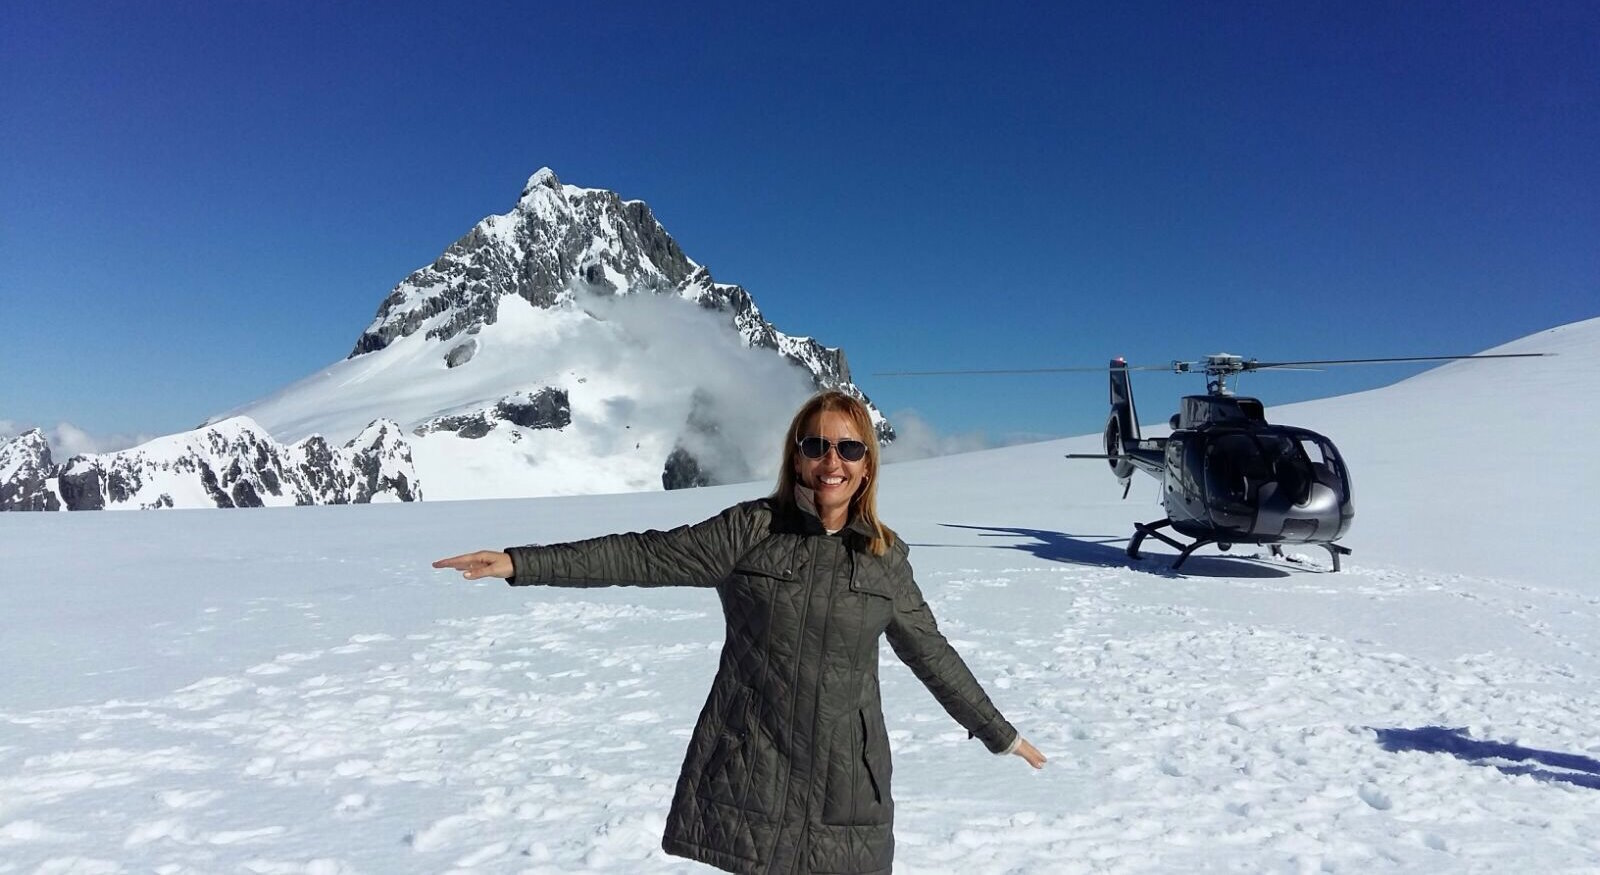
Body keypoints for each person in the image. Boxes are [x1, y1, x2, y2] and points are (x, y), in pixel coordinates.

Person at [434, 390, 1046, 875]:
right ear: (796, 456)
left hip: (847, 780)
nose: (832, 462)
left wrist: (1000, 733)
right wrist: (522, 562)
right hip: (757, 764)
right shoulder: (750, 531)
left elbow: (930, 653)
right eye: (817, 445)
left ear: (867, 465)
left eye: (849, 449)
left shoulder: (885, 558)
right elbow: (645, 557)